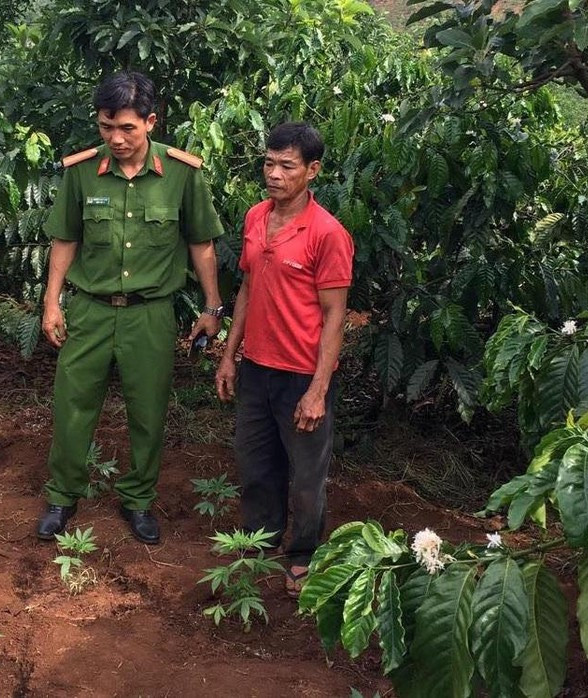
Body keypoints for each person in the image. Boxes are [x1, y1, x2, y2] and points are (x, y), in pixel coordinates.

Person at [37, 71, 225, 545]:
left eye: (127, 128)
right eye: (106, 127)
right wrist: (51, 302)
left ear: (151, 122)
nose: (116, 139)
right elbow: (66, 238)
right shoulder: (81, 171)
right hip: (90, 310)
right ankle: (63, 496)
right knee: (72, 405)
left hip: (151, 314)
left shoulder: (182, 173)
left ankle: (138, 499)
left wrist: (213, 306)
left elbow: (200, 243)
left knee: (148, 409)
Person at [215, 122, 354, 596]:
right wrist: (229, 356)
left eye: (286, 166)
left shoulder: (328, 233)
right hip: (256, 367)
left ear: (312, 171)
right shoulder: (256, 217)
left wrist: (318, 389)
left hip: (301, 375)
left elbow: (335, 315)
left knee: (306, 475)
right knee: (255, 463)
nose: (274, 174)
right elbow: (248, 289)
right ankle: (261, 539)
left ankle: (303, 554)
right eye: (269, 163)